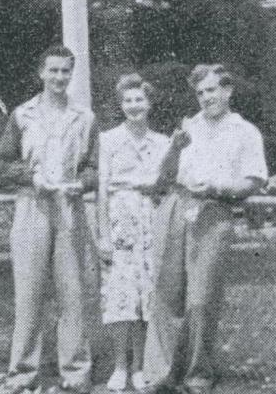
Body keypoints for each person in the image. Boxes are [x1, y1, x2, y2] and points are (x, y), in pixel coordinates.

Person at [143, 64, 268, 394]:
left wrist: (217, 188)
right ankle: (162, 374)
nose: (205, 98)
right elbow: (166, 177)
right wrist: (174, 147)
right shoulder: (189, 127)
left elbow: (252, 181)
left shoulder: (245, 131)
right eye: (200, 93)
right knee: (166, 293)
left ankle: (198, 375)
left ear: (227, 91)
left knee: (201, 299)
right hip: (177, 207)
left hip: (214, 212)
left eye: (211, 90)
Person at [0, 45, 98, 394]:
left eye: (65, 71)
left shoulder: (84, 117)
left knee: (72, 293)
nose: (59, 78)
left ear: (72, 74)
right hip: (32, 207)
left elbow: (94, 167)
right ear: (41, 72)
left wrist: (81, 183)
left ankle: (75, 374)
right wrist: (30, 177)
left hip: (69, 208)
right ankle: (22, 375)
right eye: (53, 71)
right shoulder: (22, 114)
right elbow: (1, 163)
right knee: (29, 294)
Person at [96, 74, 170, 392]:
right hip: (119, 221)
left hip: (151, 222)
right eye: (127, 100)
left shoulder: (163, 143)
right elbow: (101, 189)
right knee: (118, 297)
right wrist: (103, 234)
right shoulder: (108, 140)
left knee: (145, 298)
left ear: (149, 103)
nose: (133, 106)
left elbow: (165, 187)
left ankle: (140, 367)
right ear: (121, 105)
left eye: (139, 99)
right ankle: (119, 366)